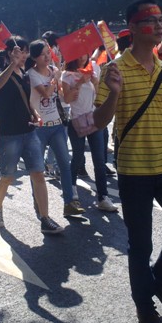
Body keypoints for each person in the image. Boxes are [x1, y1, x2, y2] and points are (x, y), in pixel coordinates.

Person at [95, 0, 162, 323]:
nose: (159, 25)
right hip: (133, 171)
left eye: (160, 20)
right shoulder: (114, 71)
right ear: (134, 28)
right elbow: (99, 121)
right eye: (150, 21)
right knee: (141, 245)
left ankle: (160, 280)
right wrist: (113, 93)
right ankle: (144, 305)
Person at [0, 36, 64, 234]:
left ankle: (45, 218)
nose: (23, 55)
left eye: (25, 52)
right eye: (19, 51)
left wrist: (35, 114)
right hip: (9, 136)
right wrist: (12, 65)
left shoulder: (25, 74)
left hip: (30, 132)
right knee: (7, 177)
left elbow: (28, 100)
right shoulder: (2, 73)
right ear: (10, 53)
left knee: (38, 173)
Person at [26, 40, 85, 217]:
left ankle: (69, 203)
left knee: (64, 164)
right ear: (34, 57)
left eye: (48, 53)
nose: (47, 57)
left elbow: (60, 95)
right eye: (42, 54)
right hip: (39, 128)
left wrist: (71, 83)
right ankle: (38, 201)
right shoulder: (32, 74)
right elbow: (45, 93)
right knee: (37, 169)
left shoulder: (53, 70)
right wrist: (56, 77)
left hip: (57, 125)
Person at [62, 54, 118, 212]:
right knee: (78, 157)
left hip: (94, 119)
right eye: (79, 55)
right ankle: (71, 190)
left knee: (99, 160)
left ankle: (103, 197)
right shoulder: (67, 75)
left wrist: (95, 82)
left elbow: (99, 96)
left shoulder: (94, 68)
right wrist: (80, 82)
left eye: (85, 54)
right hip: (77, 121)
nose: (82, 57)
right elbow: (67, 99)